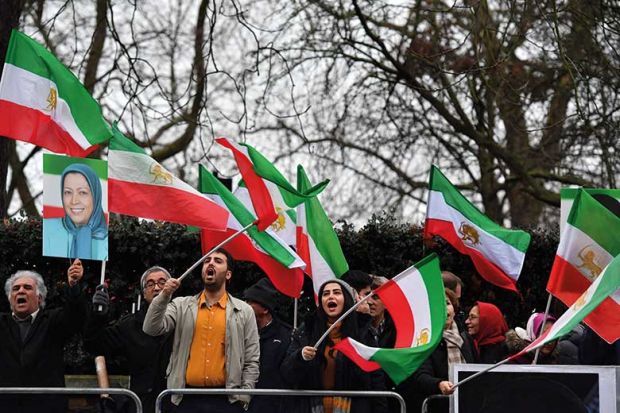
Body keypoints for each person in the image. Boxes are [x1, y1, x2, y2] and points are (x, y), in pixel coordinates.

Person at [143, 249, 259, 412]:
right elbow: (151, 328)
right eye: (206, 260)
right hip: (184, 399)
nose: (210, 263)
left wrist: (243, 397)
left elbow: (251, 359)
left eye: (218, 261)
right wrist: (164, 295)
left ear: (228, 274)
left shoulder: (244, 311)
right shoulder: (181, 305)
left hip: (227, 401)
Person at [281, 279, 387, 413]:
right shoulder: (306, 331)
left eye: (336, 293)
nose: (330, 296)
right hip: (311, 407)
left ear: (347, 299)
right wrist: (300, 356)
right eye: (325, 294)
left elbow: (376, 379)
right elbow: (287, 373)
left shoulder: (363, 332)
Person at [84, 266, 174, 413]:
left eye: (162, 282)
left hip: (176, 403)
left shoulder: (183, 319)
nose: (157, 288)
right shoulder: (130, 325)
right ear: (144, 293)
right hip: (142, 405)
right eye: (150, 284)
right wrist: (97, 316)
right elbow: (95, 345)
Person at [0, 260, 86, 413]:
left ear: (39, 298)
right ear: (10, 299)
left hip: (47, 407)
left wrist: (73, 285)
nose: (20, 291)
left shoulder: (53, 321)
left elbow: (76, 315)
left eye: (27, 288)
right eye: (15, 288)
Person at [404, 289, 476, 413]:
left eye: (447, 303)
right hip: (436, 405)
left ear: (454, 308)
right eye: (438, 304)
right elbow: (420, 376)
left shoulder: (464, 337)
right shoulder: (423, 338)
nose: (444, 308)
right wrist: (439, 384)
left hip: (465, 404)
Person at [244, 278, 292, 413]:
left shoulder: (287, 336)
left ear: (265, 308)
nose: (245, 305)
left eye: (250, 302)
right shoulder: (240, 331)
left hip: (274, 406)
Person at [43, 163, 108, 260]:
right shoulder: (47, 228)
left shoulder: (108, 239)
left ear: (96, 196)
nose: (74, 201)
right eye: (68, 192)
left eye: (82, 192)